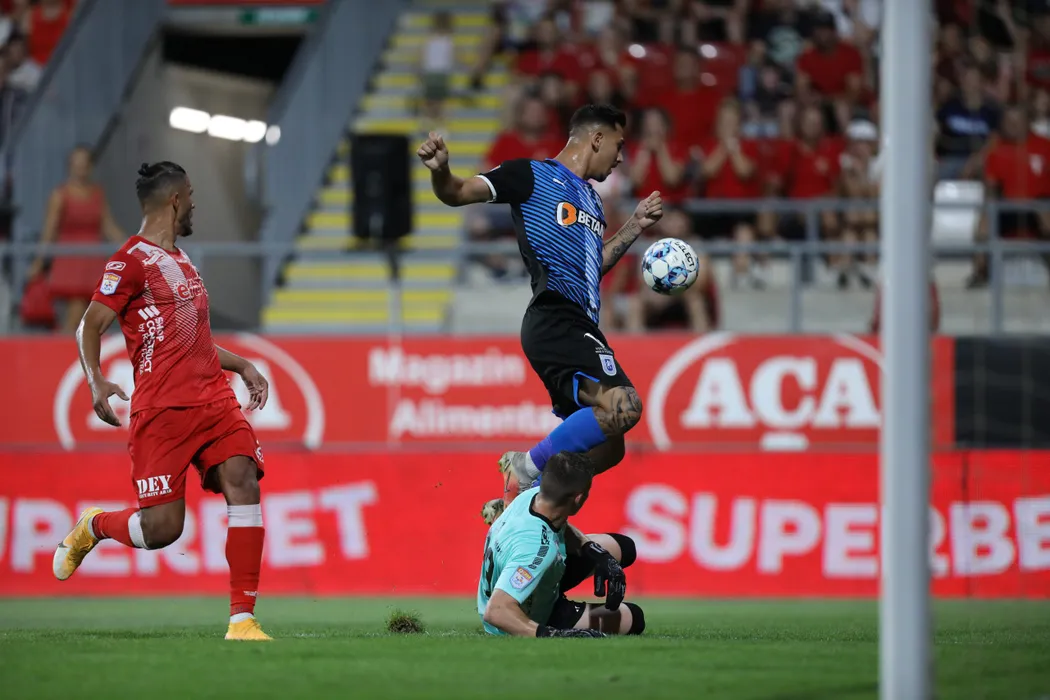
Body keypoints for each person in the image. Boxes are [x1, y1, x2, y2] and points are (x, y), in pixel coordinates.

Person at [52, 161, 273, 642]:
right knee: (162, 530)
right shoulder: (129, 260)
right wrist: (96, 380)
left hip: (214, 401)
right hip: (162, 411)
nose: (194, 204)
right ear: (176, 199)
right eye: (191, 195)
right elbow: (89, 325)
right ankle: (94, 526)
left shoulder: (184, 261)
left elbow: (194, 341)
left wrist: (242, 365)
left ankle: (242, 620)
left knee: (243, 479)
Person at [416, 104, 663, 523]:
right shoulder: (530, 175)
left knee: (611, 447)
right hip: (554, 317)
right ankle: (526, 468)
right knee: (625, 406)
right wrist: (441, 171)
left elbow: (591, 266)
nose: (621, 157)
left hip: (580, 324)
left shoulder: (592, 200)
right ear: (597, 139)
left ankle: (521, 505)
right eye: (618, 145)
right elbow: (456, 193)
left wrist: (634, 226)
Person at [478, 451, 644, 638]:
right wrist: (554, 634)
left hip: (533, 579)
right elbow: (497, 611)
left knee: (624, 547)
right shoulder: (536, 550)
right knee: (634, 618)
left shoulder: (533, 496)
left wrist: (597, 553)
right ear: (579, 498)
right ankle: (553, 616)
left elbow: (558, 524)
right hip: (525, 614)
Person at [28, 145, 124, 334]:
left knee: (90, 319)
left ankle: (69, 348)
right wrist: (38, 261)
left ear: (90, 166)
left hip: (93, 261)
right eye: (76, 164)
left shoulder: (97, 193)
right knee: (76, 314)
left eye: (84, 164)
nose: (80, 169)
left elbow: (108, 225)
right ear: (70, 167)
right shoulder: (60, 195)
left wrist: (132, 246)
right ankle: (61, 349)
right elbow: (49, 231)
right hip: (70, 261)